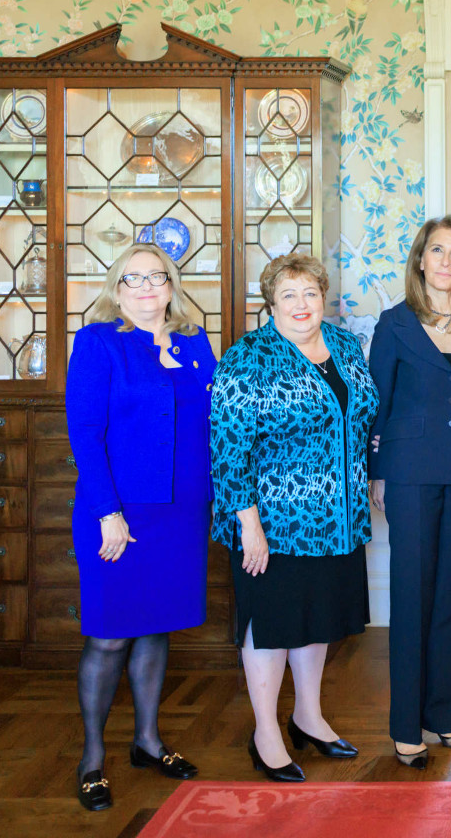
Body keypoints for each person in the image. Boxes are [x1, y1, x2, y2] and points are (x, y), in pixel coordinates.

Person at [210, 253, 379, 783]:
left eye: (309, 292)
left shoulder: (346, 344)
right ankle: (265, 733)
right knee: (272, 628)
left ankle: (308, 716)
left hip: (337, 520)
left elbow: (363, 417)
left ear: (323, 296)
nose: (302, 304)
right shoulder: (248, 359)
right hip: (274, 525)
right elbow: (227, 450)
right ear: (271, 304)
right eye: (288, 295)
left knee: (318, 619)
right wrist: (248, 526)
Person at [65, 244, 216, 812]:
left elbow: (215, 419)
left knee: (157, 628)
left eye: (157, 277)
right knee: (108, 635)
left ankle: (148, 742)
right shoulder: (100, 342)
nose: (147, 287)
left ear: (172, 284)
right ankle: (92, 757)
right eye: (134, 278)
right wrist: (108, 510)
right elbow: (84, 431)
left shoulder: (196, 343)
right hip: (119, 513)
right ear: (118, 287)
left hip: (181, 510)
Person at [368, 215, 451, 768]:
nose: (447, 261)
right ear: (420, 259)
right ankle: (405, 726)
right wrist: (375, 470)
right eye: (437, 251)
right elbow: (377, 400)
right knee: (412, 595)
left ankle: (444, 719)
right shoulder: (394, 323)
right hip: (409, 472)